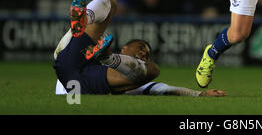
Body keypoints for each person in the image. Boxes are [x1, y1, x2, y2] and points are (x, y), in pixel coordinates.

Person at [55, 38, 226, 97]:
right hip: (69, 80)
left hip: (76, 91)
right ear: (124, 49)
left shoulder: (137, 82)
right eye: (140, 47)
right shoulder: (93, 57)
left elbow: (164, 89)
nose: (144, 52)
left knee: (152, 70)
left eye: (147, 52)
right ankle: (78, 25)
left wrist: (201, 94)